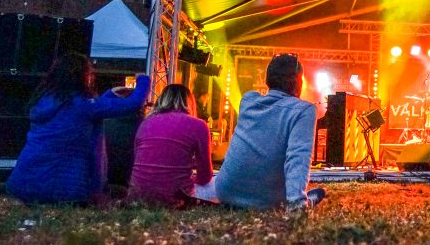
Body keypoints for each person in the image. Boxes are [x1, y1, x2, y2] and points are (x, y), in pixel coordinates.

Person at [6, 52, 150, 205]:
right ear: (82, 76)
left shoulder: (43, 101)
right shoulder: (83, 105)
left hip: (23, 183)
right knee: (117, 193)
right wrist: (143, 80)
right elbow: (133, 103)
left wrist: (110, 95)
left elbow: (84, 110)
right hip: (61, 189)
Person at [215, 54, 326, 210]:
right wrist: (297, 203)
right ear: (298, 82)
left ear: (268, 79)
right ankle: (307, 200)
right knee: (310, 195)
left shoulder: (248, 100)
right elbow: (297, 157)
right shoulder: (304, 110)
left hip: (226, 192)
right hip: (266, 201)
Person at [127, 84, 213, 207]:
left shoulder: (145, 123)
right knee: (215, 183)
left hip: (137, 196)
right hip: (175, 199)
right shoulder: (199, 125)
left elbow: (139, 162)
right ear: (190, 102)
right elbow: (205, 177)